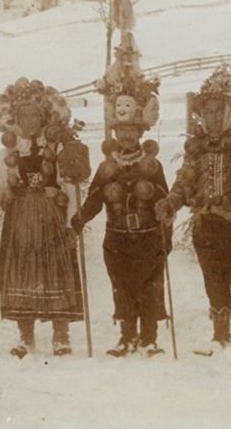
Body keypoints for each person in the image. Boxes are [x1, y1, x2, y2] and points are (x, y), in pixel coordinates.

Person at [155, 64, 231, 355]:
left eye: (219, 112)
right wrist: (170, 203)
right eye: (207, 113)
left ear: (230, 114)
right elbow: (183, 183)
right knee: (213, 279)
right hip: (206, 225)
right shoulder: (196, 149)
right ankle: (221, 334)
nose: (213, 118)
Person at [0, 78, 84, 358]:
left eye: (35, 114)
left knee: (55, 271)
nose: (29, 120)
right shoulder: (8, 152)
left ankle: (61, 335)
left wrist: (72, 223)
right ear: (16, 119)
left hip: (51, 219)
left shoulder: (57, 148)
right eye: (23, 115)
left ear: (44, 116)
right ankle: (25, 337)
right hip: (20, 219)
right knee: (22, 273)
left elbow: (70, 186)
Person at [72, 67, 170, 357]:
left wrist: (165, 223)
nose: (126, 135)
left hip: (148, 236)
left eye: (131, 130)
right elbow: (94, 198)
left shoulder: (152, 165)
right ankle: (127, 337)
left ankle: (149, 338)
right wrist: (80, 218)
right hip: (117, 238)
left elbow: (165, 198)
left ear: (140, 132)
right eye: (121, 130)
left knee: (149, 287)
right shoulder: (107, 167)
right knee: (122, 286)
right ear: (115, 133)